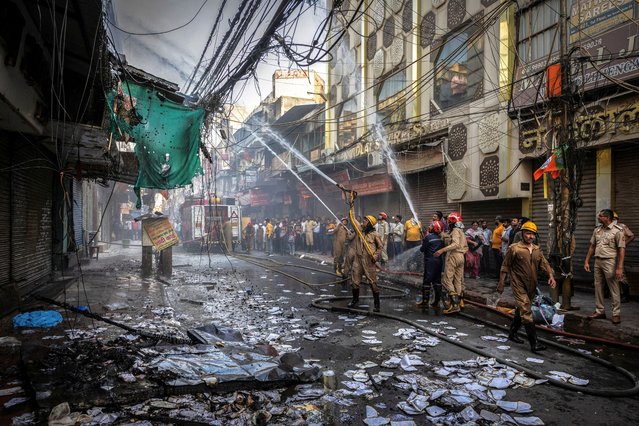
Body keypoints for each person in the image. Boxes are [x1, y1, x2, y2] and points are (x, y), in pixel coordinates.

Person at [497, 221, 556, 353]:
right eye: (528, 233)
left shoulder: (536, 250)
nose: (530, 236)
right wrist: (501, 283)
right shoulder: (514, 248)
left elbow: (545, 265)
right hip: (518, 284)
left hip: (532, 285)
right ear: (522, 233)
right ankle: (534, 344)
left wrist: (551, 276)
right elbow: (505, 266)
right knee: (526, 311)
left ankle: (512, 333)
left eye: (532, 234)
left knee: (521, 308)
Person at [584, 209, 626, 324]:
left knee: (614, 288)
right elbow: (592, 246)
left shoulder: (618, 231)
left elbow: (621, 250)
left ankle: (616, 313)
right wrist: (587, 261)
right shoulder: (597, 230)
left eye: (601, 216)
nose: (598, 217)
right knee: (598, 287)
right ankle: (600, 311)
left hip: (610, 262)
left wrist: (619, 267)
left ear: (607, 218)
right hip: (597, 261)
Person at [347, 215, 383, 312]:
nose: (363, 221)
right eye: (364, 220)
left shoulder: (375, 234)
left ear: (370, 223)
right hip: (358, 259)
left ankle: (376, 304)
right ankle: (355, 300)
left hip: (369, 261)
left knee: (372, 282)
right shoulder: (360, 231)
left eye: (366, 220)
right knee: (355, 281)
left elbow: (380, 247)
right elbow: (353, 219)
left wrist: (375, 256)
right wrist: (351, 206)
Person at [434, 212, 468, 314]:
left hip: (453, 256)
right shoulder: (461, 232)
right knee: (458, 280)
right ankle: (457, 303)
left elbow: (455, 244)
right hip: (461, 257)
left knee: (447, 280)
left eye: (449, 221)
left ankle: (455, 304)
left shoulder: (456, 231)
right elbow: (465, 247)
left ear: (452, 222)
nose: (448, 223)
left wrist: (442, 250)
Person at [419, 220, 444, 308]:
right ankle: (436, 302)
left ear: (434, 228)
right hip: (439, 262)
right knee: (437, 281)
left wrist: (423, 242)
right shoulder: (440, 238)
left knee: (427, 281)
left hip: (430, 262)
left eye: (431, 226)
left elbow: (422, 249)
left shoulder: (428, 237)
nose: (429, 227)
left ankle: (425, 302)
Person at [613, 211, 634, 303]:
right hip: (608, 253)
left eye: (615, 219)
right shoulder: (606, 227)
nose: (613, 221)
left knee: (621, 275)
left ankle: (625, 296)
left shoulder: (622, 226)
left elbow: (631, 236)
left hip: (618, 253)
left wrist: (624, 244)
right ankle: (608, 293)